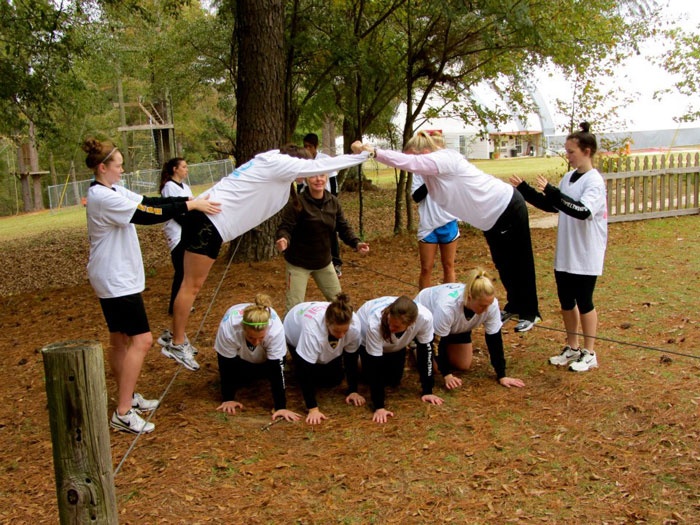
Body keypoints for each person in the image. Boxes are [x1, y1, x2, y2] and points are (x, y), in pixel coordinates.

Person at [162, 144, 373, 373]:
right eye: (306, 169)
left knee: (188, 284)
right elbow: (326, 165)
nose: (310, 175)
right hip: (210, 224)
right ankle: (177, 342)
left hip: (205, 219)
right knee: (191, 286)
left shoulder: (270, 159)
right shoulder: (281, 164)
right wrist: (363, 155)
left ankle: (175, 337)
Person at [83, 138, 220, 434]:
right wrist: (189, 205)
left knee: (120, 339)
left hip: (115, 276)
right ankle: (123, 412)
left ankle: (128, 397)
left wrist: (189, 202)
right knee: (142, 340)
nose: (122, 170)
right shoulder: (103, 197)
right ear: (103, 167)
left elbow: (149, 202)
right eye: (118, 166)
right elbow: (146, 215)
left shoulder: (112, 190)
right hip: (115, 278)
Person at [351, 132, 541, 332]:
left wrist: (374, 152)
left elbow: (409, 162)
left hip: (506, 207)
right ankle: (515, 305)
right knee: (503, 263)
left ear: (425, 152)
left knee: (520, 262)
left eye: (415, 157)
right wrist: (365, 153)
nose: (413, 164)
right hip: (489, 220)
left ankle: (531, 312)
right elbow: (410, 170)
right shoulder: (430, 174)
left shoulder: (445, 158)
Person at [510, 122, 607, 372]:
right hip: (566, 253)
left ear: (586, 151)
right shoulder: (568, 178)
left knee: (584, 301)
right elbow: (553, 206)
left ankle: (589, 352)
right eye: (567, 151)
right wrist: (525, 190)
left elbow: (582, 211)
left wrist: (553, 193)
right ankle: (572, 347)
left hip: (586, 253)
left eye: (571, 151)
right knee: (566, 301)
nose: (568, 155)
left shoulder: (594, 182)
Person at [275, 171, 369, 314]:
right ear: (306, 179)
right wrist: (284, 239)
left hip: (323, 262)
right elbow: (285, 227)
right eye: (313, 176)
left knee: (341, 305)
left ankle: (345, 328)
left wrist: (356, 243)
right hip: (298, 264)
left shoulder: (333, 202)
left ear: (327, 177)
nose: (318, 179)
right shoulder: (297, 203)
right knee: (293, 309)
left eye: (322, 175)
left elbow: (343, 227)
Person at [415, 268, 526, 389]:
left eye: (488, 305)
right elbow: (437, 343)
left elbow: (494, 339)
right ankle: (415, 345)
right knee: (436, 368)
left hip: (457, 326)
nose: (486, 309)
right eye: (482, 306)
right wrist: (447, 374)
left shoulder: (491, 304)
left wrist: (502, 375)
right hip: (429, 322)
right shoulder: (447, 308)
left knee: (463, 365)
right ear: (469, 298)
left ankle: (446, 347)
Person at [214, 294, 301, 422]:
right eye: (251, 337)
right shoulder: (230, 328)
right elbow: (225, 364)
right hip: (240, 357)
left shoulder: (275, 330)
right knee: (240, 376)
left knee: (269, 371)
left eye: (261, 338)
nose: (256, 342)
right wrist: (228, 398)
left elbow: (277, 369)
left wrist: (280, 406)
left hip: (265, 357)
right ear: (243, 328)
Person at [354, 296, 440, 424]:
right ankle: (357, 359)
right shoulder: (375, 323)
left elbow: (426, 351)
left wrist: (428, 390)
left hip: (396, 345)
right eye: (390, 322)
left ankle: (402, 351)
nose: (390, 327)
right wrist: (379, 407)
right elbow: (375, 365)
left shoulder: (425, 318)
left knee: (393, 380)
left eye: (396, 326)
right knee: (369, 377)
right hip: (365, 341)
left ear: (411, 324)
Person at [283, 294, 365, 424]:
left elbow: (351, 357)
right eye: (337, 331)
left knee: (333, 380)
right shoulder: (313, 330)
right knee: (307, 377)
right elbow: (306, 370)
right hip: (294, 330)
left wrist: (353, 390)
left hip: (324, 338)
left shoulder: (354, 326)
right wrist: (313, 409)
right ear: (327, 323)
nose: (341, 335)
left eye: (345, 331)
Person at [301, 133, 343, 276]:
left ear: (316, 146)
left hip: (326, 201)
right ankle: (309, 262)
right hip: (309, 202)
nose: (307, 149)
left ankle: (336, 262)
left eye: (309, 146)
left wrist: (333, 201)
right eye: (305, 146)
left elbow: (333, 183)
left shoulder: (325, 160)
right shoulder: (303, 162)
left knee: (331, 229)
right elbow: (300, 185)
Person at [411, 172, 459, 289]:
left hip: (448, 222)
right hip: (428, 225)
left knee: (448, 266)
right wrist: (430, 179)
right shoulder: (419, 171)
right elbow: (416, 197)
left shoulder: (448, 168)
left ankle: (447, 297)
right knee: (426, 268)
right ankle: (423, 299)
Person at [158, 157, 193, 316]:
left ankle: (183, 303)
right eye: (183, 167)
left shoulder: (185, 187)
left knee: (187, 270)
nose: (186, 170)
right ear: (175, 169)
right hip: (176, 233)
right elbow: (174, 212)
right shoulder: (169, 188)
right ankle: (174, 306)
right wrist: (187, 224)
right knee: (181, 270)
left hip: (187, 232)